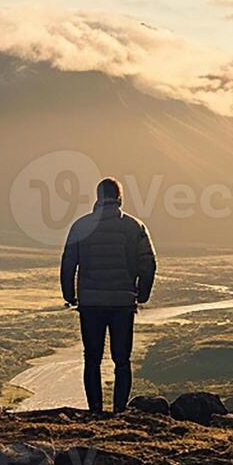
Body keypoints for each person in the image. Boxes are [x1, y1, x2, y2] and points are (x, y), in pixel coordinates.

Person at [59, 177, 157, 414]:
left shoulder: (81, 226)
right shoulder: (135, 227)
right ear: (119, 197)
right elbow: (149, 264)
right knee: (121, 361)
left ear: (98, 197)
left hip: (91, 304)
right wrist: (141, 295)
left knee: (92, 359)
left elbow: (68, 263)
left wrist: (70, 295)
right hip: (122, 303)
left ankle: (95, 411)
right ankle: (119, 411)